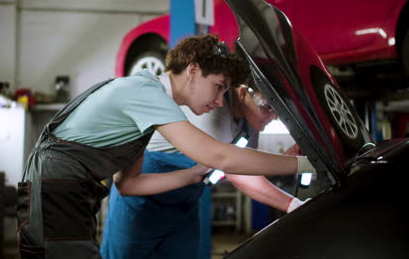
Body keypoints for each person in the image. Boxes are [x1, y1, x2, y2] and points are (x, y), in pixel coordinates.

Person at [16, 34, 315, 259]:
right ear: (193, 71)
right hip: (57, 183)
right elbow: (221, 156)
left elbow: (129, 184)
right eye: (219, 86)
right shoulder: (147, 92)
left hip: (71, 188)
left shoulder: (152, 110)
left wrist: (192, 174)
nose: (221, 99)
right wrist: (306, 164)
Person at [100, 77, 307, 259]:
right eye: (267, 107)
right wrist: (292, 203)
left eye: (277, 110)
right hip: (140, 205)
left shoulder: (250, 122)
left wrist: (284, 158)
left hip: (183, 206)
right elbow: (235, 171)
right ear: (244, 93)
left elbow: (249, 166)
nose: (272, 117)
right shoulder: (214, 115)